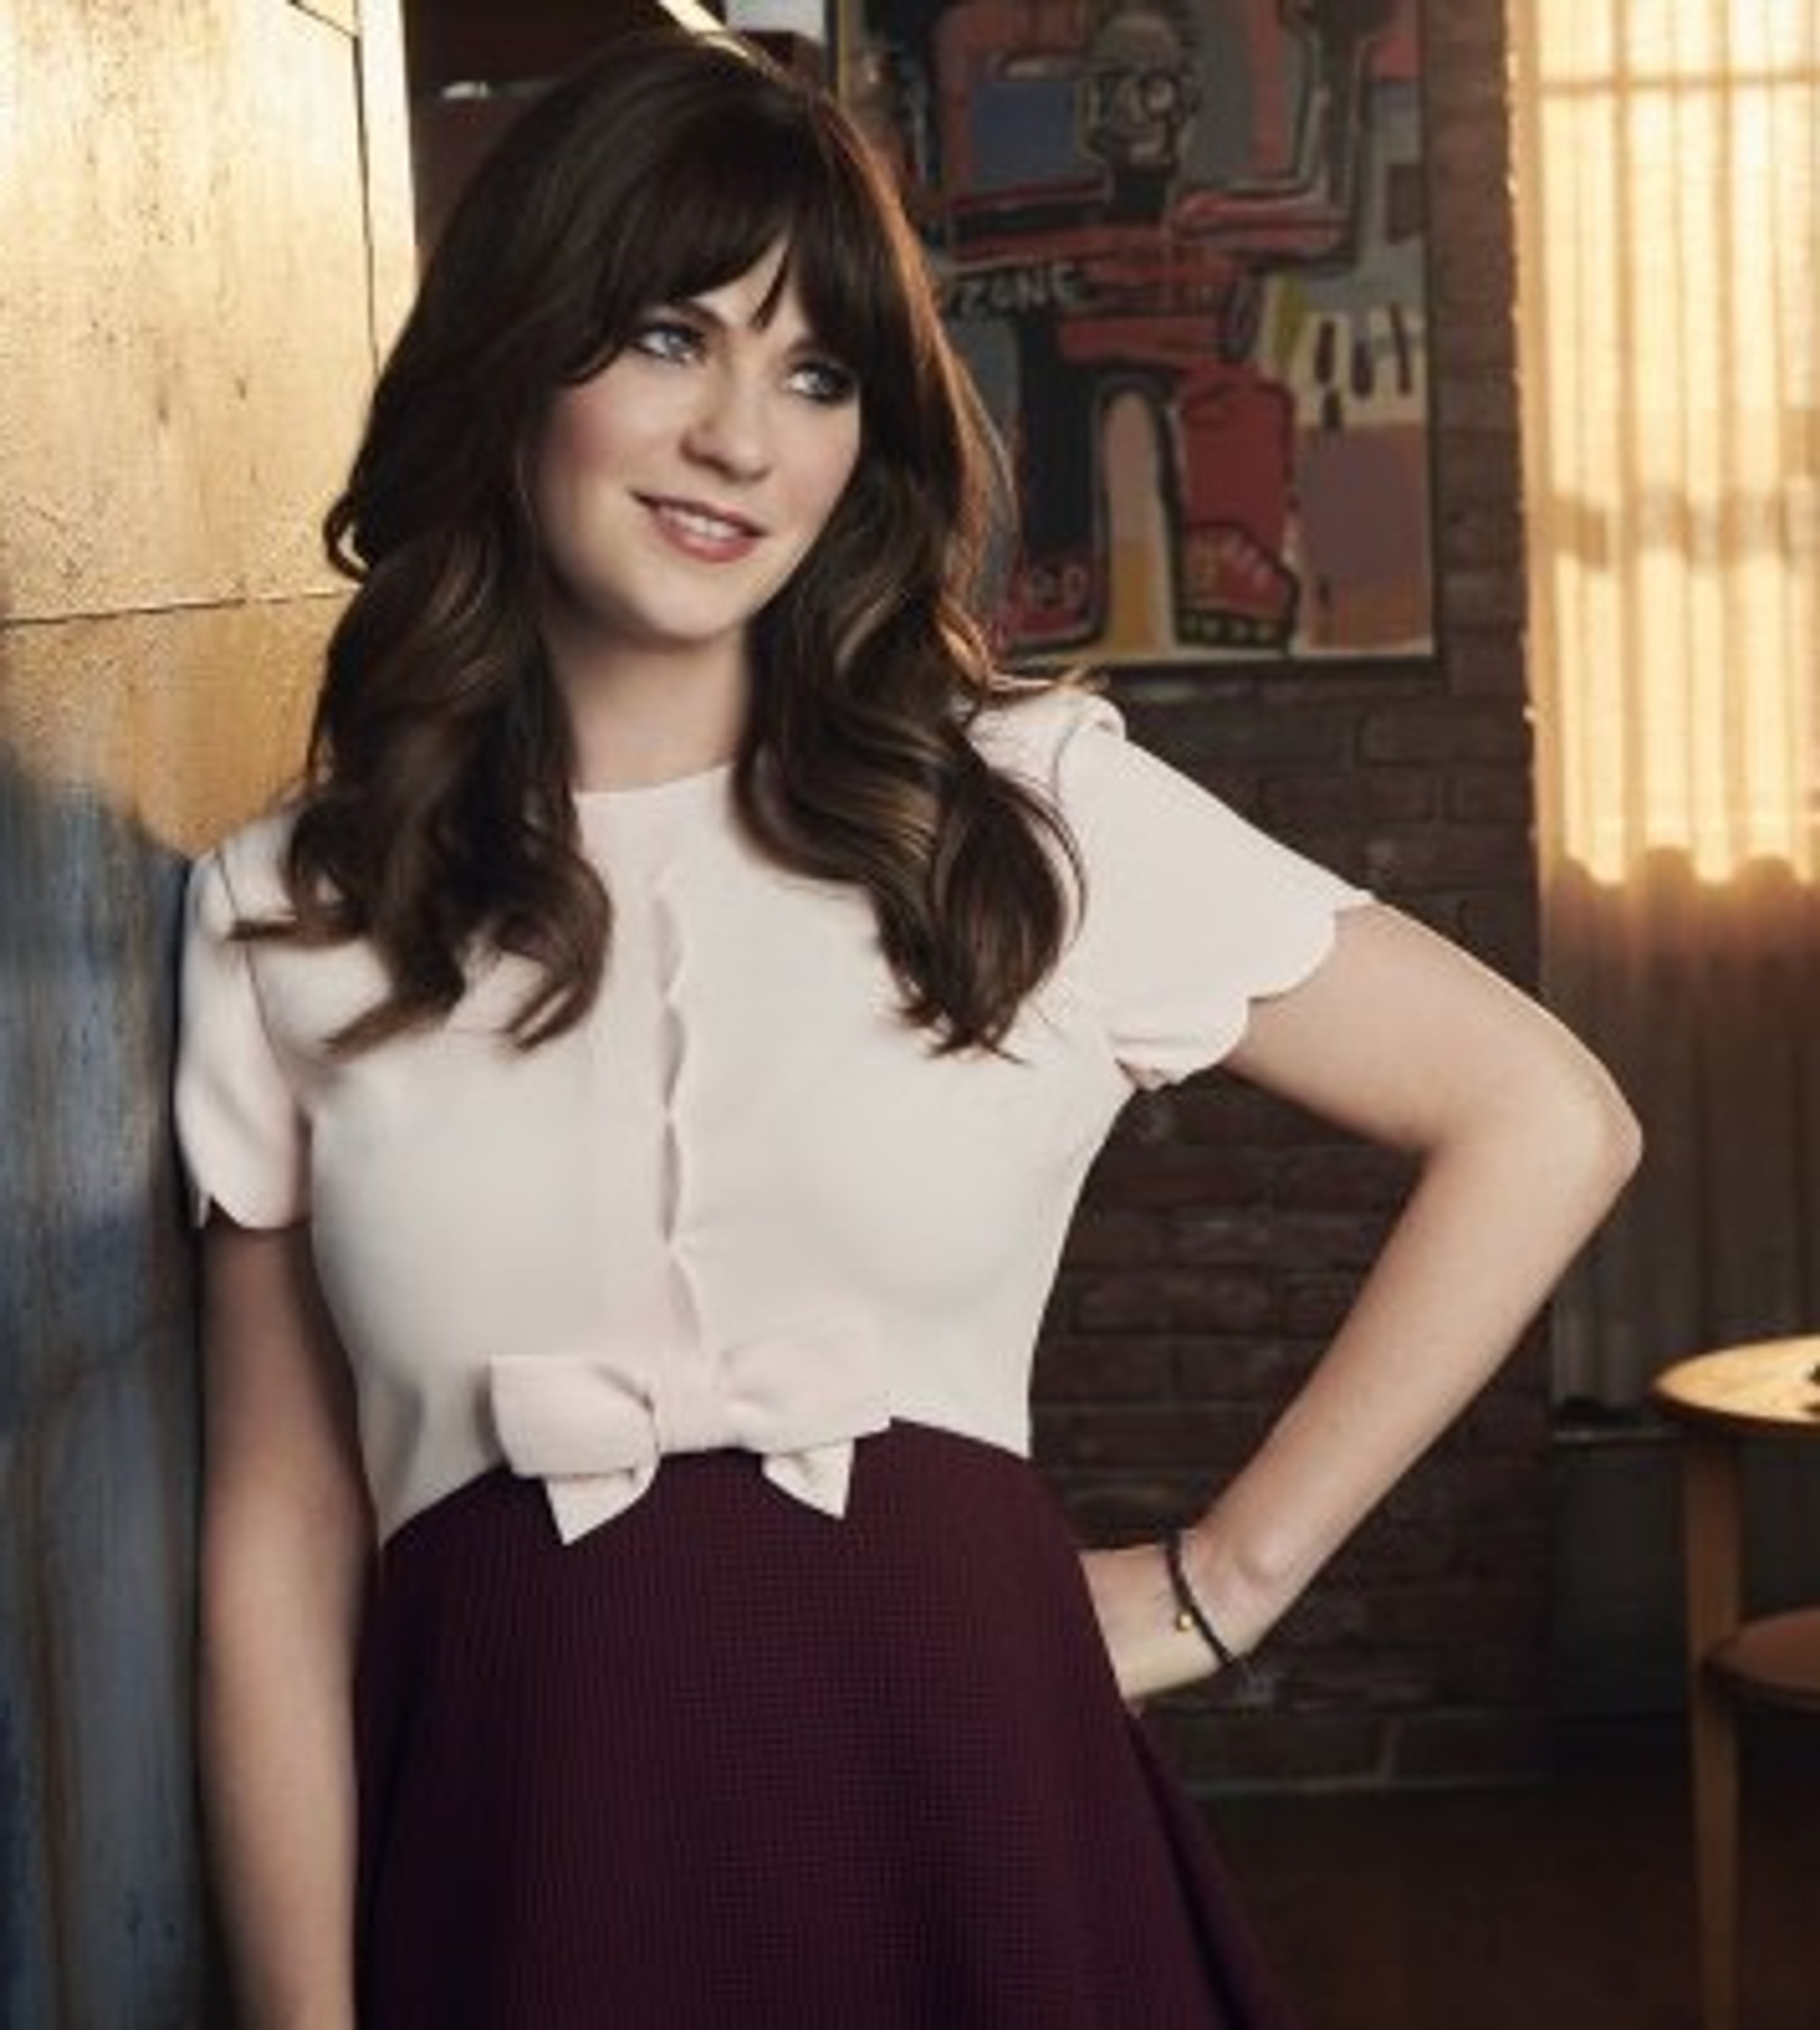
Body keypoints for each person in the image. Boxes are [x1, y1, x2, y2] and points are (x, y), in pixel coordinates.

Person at [175, 27, 1639, 2030]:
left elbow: (1543, 1116)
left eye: (816, 371)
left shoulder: (1026, 809)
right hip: (519, 1864)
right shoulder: (286, 911)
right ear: (518, 363)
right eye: (671, 339)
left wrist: (1228, 1582)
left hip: (984, 1828)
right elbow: (279, 1542)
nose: (742, 442)